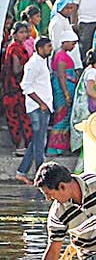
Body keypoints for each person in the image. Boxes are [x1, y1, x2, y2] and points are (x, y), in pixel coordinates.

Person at [16, 37, 53, 186]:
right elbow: (25, 86)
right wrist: (41, 103)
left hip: (43, 106)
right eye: (48, 46)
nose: (50, 49)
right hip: (37, 108)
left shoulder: (42, 62)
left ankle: (21, 172)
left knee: (37, 141)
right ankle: (41, 176)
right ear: (40, 48)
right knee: (39, 143)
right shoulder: (33, 64)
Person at [70, 48, 96, 170]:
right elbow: (90, 90)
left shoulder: (92, 71)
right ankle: (82, 169)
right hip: (89, 110)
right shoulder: (92, 72)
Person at [1, 22, 33, 158]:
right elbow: (16, 69)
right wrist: (28, 66)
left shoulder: (18, 47)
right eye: (21, 32)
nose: (24, 35)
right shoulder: (14, 48)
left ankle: (23, 146)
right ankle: (21, 146)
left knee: (19, 117)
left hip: (15, 89)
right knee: (19, 118)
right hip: (15, 89)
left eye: (25, 32)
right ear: (14, 34)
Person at [47, 31, 79, 156]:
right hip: (62, 90)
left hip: (66, 88)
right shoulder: (60, 56)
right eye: (72, 43)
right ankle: (54, 148)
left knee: (64, 118)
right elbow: (61, 76)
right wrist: (66, 93)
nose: (73, 46)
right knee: (61, 118)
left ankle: (60, 147)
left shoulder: (61, 53)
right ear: (65, 42)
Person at [48, 0, 83, 70]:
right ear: (60, 7)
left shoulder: (64, 19)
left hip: (71, 57)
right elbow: (56, 44)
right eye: (67, 8)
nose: (69, 11)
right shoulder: (57, 22)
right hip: (63, 61)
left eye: (71, 8)